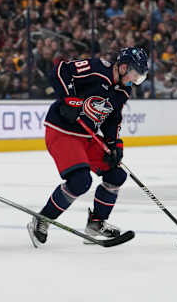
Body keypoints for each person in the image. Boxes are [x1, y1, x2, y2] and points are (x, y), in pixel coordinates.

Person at [27, 47, 148, 247]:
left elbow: (113, 119)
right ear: (124, 67)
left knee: (116, 175)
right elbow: (60, 70)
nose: (134, 80)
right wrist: (68, 99)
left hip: (87, 136)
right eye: (135, 74)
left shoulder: (123, 90)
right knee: (80, 181)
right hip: (62, 131)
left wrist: (115, 144)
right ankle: (43, 219)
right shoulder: (97, 68)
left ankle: (96, 223)